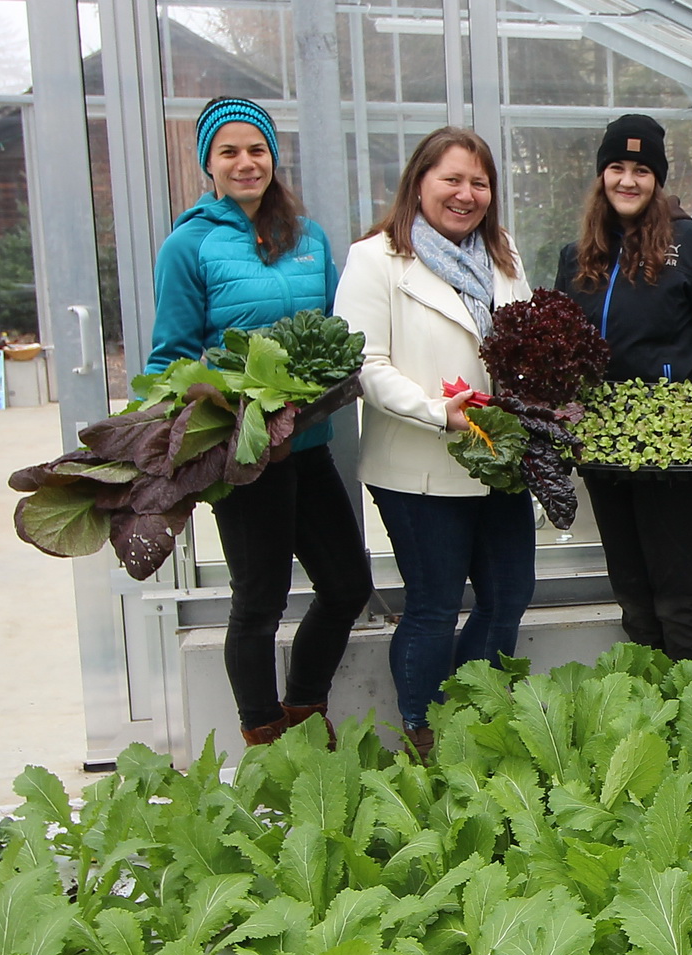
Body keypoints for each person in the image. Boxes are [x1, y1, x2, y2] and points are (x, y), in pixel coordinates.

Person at [146, 97, 371, 748]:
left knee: (346, 585)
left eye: (257, 150)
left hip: (307, 444)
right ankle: (263, 733)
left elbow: (333, 326)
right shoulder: (188, 245)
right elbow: (170, 355)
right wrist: (207, 409)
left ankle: (304, 706)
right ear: (208, 165)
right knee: (259, 602)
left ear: (273, 157)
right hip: (245, 453)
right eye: (230, 152)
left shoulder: (308, 237)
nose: (246, 163)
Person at [332, 127, 535, 754]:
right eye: (452, 179)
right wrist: (435, 411)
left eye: (479, 182)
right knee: (433, 606)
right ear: (419, 181)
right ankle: (423, 729)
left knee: (508, 596)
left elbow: (525, 335)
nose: (466, 194)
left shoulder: (501, 251)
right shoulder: (376, 259)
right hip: (419, 466)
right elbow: (363, 362)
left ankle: (471, 712)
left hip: (499, 459)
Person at [555, 114, 692, 665]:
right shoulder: (578, 256)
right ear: (601, 176)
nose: (628, 180)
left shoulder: (690, 244)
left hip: (675, 448)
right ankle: (649, 703)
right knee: (630, 584)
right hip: (602, 445)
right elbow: (564, 345)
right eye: (616, 168)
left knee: (679, 589)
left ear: (658, 179)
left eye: (641, 170)